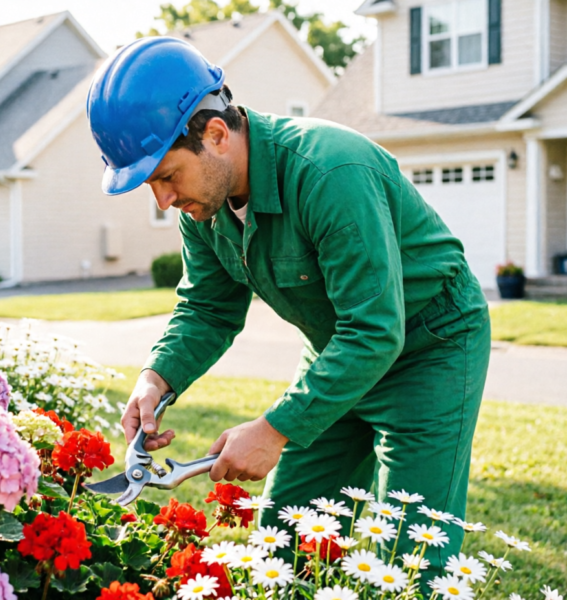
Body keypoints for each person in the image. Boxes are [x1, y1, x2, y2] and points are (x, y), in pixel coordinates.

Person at [86, 36, 491, 571]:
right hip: (339, 349)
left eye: (165, 176)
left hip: (430, 346)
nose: (163, 200)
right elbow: (208, 308)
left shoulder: (331, 174)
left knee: (410, 553)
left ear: (215, 135)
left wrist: (274, 431)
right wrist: (155, 379)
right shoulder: (202, 207)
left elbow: (374, 331)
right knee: (286, 538)